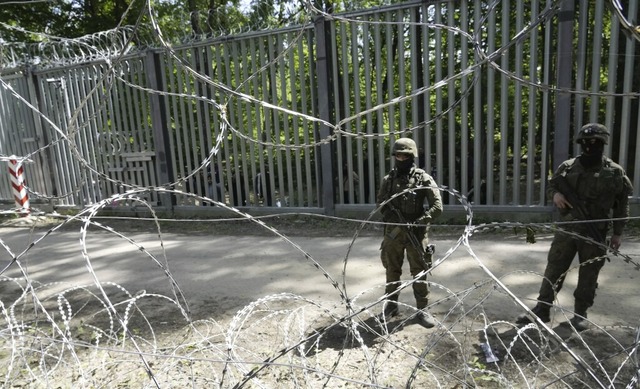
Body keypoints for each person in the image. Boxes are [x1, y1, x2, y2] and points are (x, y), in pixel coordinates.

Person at [516, 123, 633, 331]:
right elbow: (552, 186)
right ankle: (542, 309)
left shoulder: (615, 172)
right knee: (554, 269)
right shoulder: (568, 167)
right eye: (586, 142)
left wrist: (617, 233)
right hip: (567, 229)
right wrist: (556, 195)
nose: (590, 146)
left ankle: (580, 313)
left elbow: (622, 205)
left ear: (603, 144)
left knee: (589, 273)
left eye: (595, 142)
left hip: (595, 230)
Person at [376, 137, 443, 328]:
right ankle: (390, 306)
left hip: (416, 233)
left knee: (420, 272)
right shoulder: (388, 180)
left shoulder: (423, 178)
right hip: (394, 233)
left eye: (405, 155)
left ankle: (422, 310)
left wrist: (419, 222)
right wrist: (392, 215)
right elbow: (380, 203)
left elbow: (437, 207)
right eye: (398, 155)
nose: (401, 158)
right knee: (392, 270)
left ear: (412, 156)